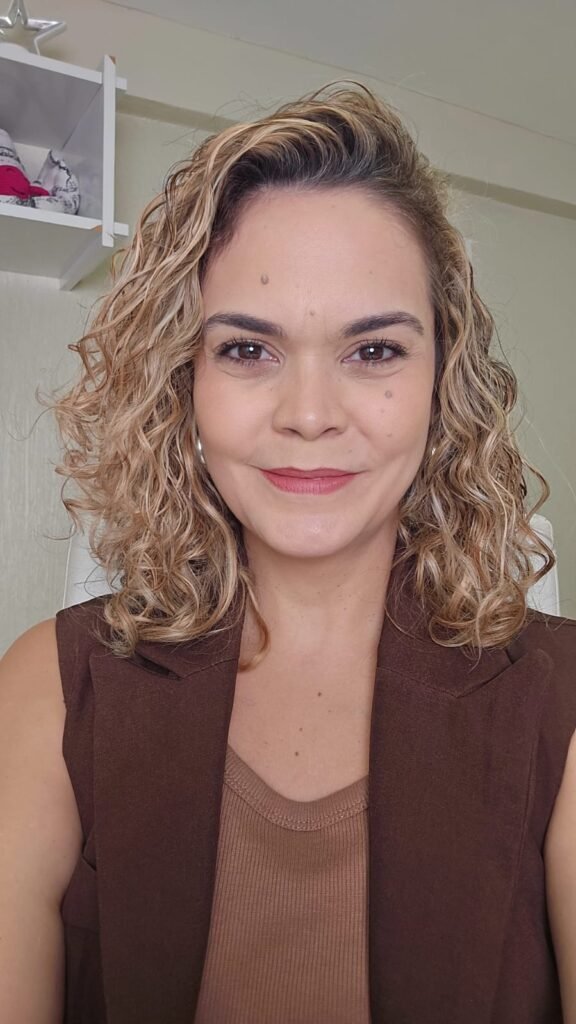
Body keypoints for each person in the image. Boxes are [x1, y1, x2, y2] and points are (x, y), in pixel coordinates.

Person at [1, 80, 575, 1024]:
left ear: (443, 381)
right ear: (184, 381)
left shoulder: (562, 705)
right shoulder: (48, 691)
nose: (310, 415)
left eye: (374, 351)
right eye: (247, 351)